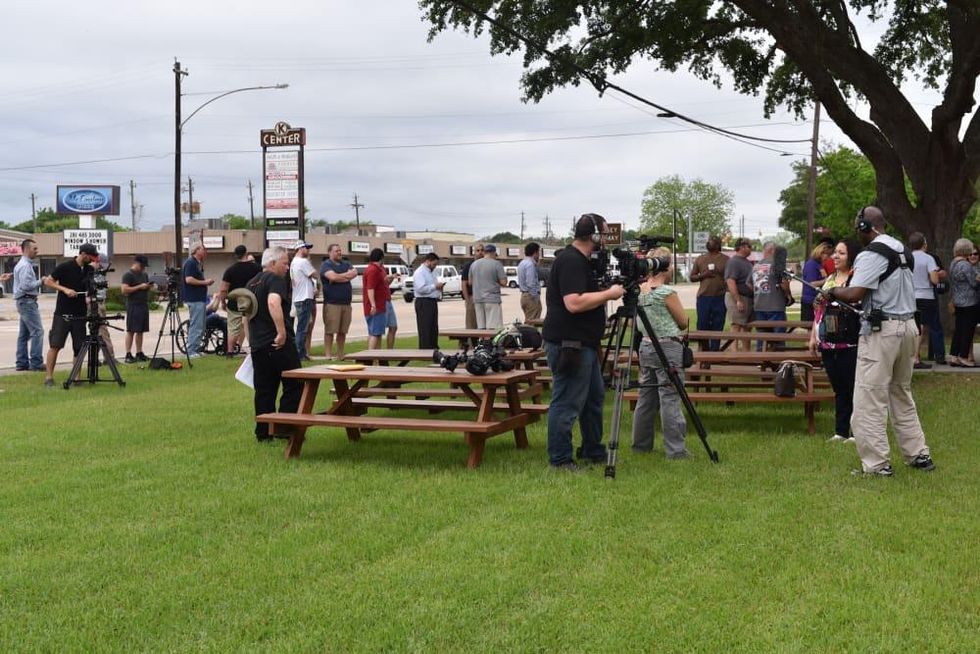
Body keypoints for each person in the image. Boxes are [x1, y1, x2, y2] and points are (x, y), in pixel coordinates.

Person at [828, 206, 934, 476]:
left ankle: (876, 465)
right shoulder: (902, 249)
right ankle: (918, 454)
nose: (857, 234)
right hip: (909, 328)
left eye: (858, 228)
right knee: (901, 393)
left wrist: (832, 292)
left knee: (868, 398)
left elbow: (855, 293)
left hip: (882, 332)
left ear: (867, 227)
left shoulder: (871, 253)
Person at [542, 213, 625, 471]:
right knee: (567, 402)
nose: (605, 240)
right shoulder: (571, 261)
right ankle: (560, 460)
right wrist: (609, 294)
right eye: (603, 234)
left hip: (584, 343)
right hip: (569, 343)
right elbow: (574, 303)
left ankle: (592, 449)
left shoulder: (582, 261)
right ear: (594, 236)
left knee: (593, 398)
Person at [631, 247, 690, 459]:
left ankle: (640, 444)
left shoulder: (639, 290)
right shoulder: (666, 293)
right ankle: (675, 450)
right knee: (670, 397)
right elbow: (683, 322)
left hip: (646, 345)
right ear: (665, 267)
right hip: (668, 347)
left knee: (646, 397)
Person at [808, 239, 862, 442]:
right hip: (828, 342)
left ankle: (857, 431)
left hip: (849, 342)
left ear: (852, 257)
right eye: (835, 253)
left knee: (852, 387)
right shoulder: (830, 279)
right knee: (839, 388)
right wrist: (813, 336)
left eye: (841, 253)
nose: (835, 257)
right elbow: (819, 311)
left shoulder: (856, 279)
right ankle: (841, 431)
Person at [246, 246, 302, 442]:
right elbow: (273, 302)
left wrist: (250, 340)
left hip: (258, 344)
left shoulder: (250, 284)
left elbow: (246, 315)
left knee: (264, 389)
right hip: (278, 343)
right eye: (285, 263)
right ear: (272, 263)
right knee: (294, 384)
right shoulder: (275, 280)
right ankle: (283, 428)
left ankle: (263, 432)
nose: (287, 267)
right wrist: (281, 332)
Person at [43, 243, 99, 387]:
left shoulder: (88, 270)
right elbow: (48, 281)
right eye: (90, 257)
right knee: (55, 345)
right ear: (84, 254)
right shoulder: (65, 266)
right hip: (63, 313)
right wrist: (65, 289)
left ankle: (76, 378)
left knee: (79, 347)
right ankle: (49, 377)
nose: (91, 260)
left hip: (80, 314)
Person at [908, 232, 945, 369]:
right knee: (922, 327)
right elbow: (935, 280)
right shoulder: (928, 258)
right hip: (926, 295)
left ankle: (910, 355)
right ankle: (916, 357)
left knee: (912, 326)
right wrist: (932, 277)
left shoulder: (908, 257)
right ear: (924, 244)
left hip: (911, 296)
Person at [216, 245, 261, 356]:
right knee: (250, 325)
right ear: (246, 253)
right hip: (251, 301)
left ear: (236, 256)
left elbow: (223, 289)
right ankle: (254, 349)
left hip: (234, 301)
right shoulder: (256, 268)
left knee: (233, 328)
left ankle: (230, 351)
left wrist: (223, 302)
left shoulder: (230, 270)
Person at [750, 241, 793, 351]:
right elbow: (784, 283)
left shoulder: (756, 266)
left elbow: (748, 283)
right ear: (773, 250)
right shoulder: (777, 265)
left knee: (762, 336)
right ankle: (778, 361)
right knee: (778, 337)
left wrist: (758, 292)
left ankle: (761, 360)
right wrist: (788, 295)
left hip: (759, 305)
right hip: (775, 305)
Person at [688, 235, 729, 351]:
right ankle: (704, 350)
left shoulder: (725, 259)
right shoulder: (700, 259)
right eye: (708, 241)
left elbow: (730, 278)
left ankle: (714, 351)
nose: (709, 243)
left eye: (712, 241)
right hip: (703, 298)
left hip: (720, 297)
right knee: (702, 325)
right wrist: (703, 275)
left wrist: (719, 273)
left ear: (718, 245)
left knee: (718, 325)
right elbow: (692, 277)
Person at [320, 243, 357, 360]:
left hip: (346, 303)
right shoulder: (326, 265)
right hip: (332, 303)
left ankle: (340, 355)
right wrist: (345, 277)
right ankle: (328, 355)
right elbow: (332, 277)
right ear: (330, 252)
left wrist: (339, 277)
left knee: (342, 331)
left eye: (340, 250)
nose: (339, 253)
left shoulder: (346, 263)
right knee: (330, 330)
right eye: (336, 251)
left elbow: (354, 273)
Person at [13, 238, 44, 372]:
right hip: (27, 301)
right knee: (37, 332)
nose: (36, 251)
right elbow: (26, 286)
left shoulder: (21, 264)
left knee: (24, 334)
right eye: (34, 249)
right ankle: (36, 363)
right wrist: (41, 281)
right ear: (26, 249)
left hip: (22, 301)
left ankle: (22, 363)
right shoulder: (25, 265)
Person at [948, 238, 979, 368]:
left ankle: (954, 356)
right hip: (969, 302)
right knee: (968, 330)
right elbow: (973, 283)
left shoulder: (953, 263)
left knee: (959, 329)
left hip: (958, 300)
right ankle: (964, 357)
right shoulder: (965, 265)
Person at [181, 244, 213, 359]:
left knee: (201, 325)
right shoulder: (190, 263)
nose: (205, 251)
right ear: (196, 250)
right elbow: (188, 279)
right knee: (196, 325)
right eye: (203, 249)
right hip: (194, 299)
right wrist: (205, 282)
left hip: (199, 298)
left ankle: (196, 348)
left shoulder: (197, 264)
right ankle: (191, 350)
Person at [362, 248, 397, 349]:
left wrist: (390, 278)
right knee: (375, 332)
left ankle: (381, 356)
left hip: (385, 301)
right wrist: (373, 305)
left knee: (381, 330)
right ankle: (371, 357)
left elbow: (383, 283)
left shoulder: (380, 269)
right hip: (377, 305)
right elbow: (370, 288)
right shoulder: (372, 270)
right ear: (382, 258)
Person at [724, 238, 754, 351]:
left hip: (748, 298)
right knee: (736, 325)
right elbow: (730, 281)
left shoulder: (747, 262)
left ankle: (746, 353)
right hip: (738, 297)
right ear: (742, 247)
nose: (751, 249)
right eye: (749, 246)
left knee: (747, 326)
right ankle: (734, 353)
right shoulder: (734, 262)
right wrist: (737, 300)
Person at [289, 240, 317, 361]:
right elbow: (314, 274)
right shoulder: (303, 261)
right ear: (300, 249)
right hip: (304, 297)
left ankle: (302, 353)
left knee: (302, 326)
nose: (308, 250)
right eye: (306, 248)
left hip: (298, 297)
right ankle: (299, 354)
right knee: (302, 328)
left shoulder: (293, 262)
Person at [121, 255, 152, 363]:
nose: (144, 268)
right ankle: (128, 354)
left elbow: (145, 287)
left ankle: (139, 352)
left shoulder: (144, 275)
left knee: (140, 330)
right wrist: (139, 287)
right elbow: (124, 290)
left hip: (143, 304)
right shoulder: (128, 275)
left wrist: (148, 286)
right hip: (133, 305)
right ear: (137, 263)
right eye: (143, 266)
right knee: (131, 330)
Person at [469, 244, 507, 329]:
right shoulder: (496, 264)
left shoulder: (474, 264)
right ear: (494, 253)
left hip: (478, 299)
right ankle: (490, 342)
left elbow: (470, 282)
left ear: (484, 252)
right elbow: (504, 282)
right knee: (493, 327)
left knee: (481, 326)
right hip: (492, 298)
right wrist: (495, 279)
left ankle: (482, 341)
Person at [412, 252, 445, 348]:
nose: (435, 266)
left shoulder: (432, 272)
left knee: (433, 326)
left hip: (432, 301)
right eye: (434, 264)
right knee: (425, 327)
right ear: (428, 261)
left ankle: (433, 346)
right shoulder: (420, 272)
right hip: (423, 301)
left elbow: (433, 285)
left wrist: (439, 288)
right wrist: (435, 286)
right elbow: (421, 289)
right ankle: (425, 348)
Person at [801, 242, 831, 322]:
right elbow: (811, 283)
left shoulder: (819, 264)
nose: (827, 258)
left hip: (817, 300)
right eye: (827, 255)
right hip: (809, 301)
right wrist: (826, 280)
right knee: (809, 327)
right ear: (820, 253)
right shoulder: (812, 265)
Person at [517, 242, 542, 322]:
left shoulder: (522, 263)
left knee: (528, 321)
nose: (539, 255)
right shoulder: (530, 265)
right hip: (530, 296)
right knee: (533, 322)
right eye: (538, 252)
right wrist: (536, 297)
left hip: (524, 295)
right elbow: (531, 283)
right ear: (535, 252)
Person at [460, 244, 484, 329]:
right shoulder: (468, 266)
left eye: (482, 250)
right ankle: (470, 342)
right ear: (474, 252)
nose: (480, 252)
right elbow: (464, 284)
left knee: (484, 324)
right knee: (471, 324)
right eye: (478, 250)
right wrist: (467, 300)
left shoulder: (486, 265)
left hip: (485, 297)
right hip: (472, 297)